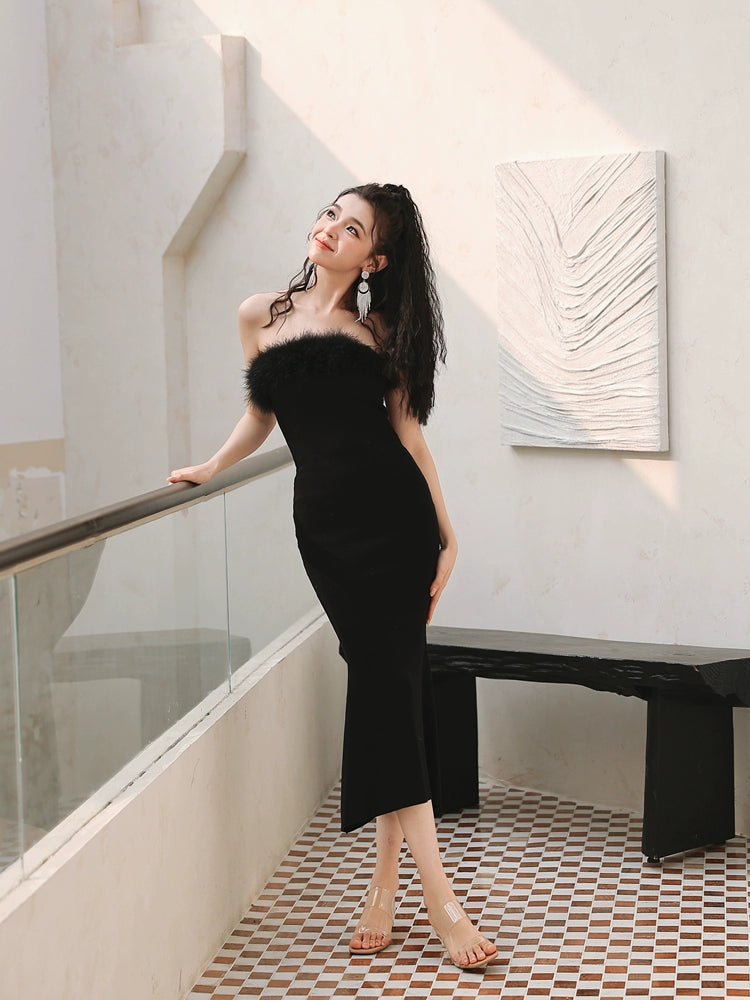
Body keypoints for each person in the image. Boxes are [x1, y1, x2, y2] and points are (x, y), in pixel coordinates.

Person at [168, 182, 497, 971]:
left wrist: (448, 534)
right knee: (388, 691)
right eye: (329, 215)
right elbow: (263, 413)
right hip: (327, 530)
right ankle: (401, 890)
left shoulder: (381, 331)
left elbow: (409, 438)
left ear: (375, 259)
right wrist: (212, 465)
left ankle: (426, 896)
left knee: (388, 692)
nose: (329, 230)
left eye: (352, 229)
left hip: (397, 523)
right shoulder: (259, 315)